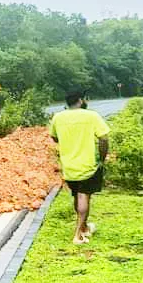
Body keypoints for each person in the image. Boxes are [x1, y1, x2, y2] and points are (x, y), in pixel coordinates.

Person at [48, 91, 110, 244]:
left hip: (68, 165)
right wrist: (102, 158)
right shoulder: (91, 116)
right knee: (84, 196)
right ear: (81, 100)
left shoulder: (58, 117)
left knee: (77, 195)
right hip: (87, 165)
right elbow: (104, 138)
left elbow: (54, 137)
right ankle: (77, 235)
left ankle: (84, 228)